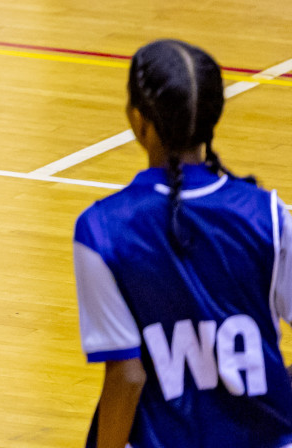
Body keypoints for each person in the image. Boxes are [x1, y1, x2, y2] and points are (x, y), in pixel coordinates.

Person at [74, 39, 292, 448]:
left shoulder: (101, 229)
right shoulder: (269, 215)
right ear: (213, 120)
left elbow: (127, 376)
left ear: (138, 121)